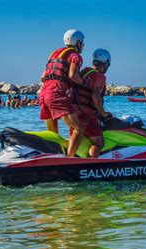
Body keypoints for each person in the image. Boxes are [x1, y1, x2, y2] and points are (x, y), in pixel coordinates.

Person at [39, 29, 86, 157]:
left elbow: (42, 77)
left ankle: (53, 157)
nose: (83, 45)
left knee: (53, 133)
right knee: (78, 129)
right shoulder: (75, 56)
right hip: (56, 95)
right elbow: (73, 75)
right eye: (82, 42)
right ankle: (69, 160)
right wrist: (83, 83)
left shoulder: (54, 54)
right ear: (77, 42)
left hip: (43, 95)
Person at [72, 48, 112, 158]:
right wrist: (103, 113)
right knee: (99, 142)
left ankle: (74, 158)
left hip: (72, 112)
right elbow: (95, 94)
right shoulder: (100, 76)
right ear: (106, 63)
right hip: (85, 113)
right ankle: (92, 165)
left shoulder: (85, 71)